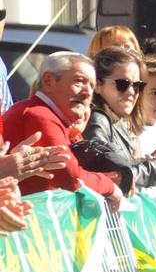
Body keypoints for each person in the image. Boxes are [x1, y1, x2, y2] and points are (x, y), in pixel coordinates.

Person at [1, 52, 121, 204]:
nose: (87, 92)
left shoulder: (51, 116)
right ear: (49, 81)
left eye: (91, 85)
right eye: (79, 81)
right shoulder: (39, 115)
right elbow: (71, 178)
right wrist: (110, 187)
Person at [83, 46, 156, 193]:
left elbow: (121, 167)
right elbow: (110, 173)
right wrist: (153, 168)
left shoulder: (117, 120)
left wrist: (141, 162)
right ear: (98, 85)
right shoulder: (97, 119)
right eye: (123, 84)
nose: (131, 92)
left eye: (137, 86)